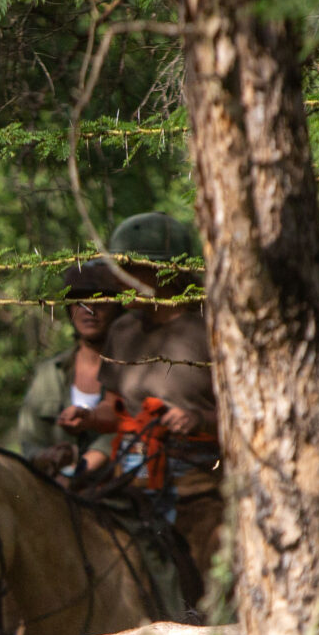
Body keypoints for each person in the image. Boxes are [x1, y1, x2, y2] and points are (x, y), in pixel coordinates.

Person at [81, 213, 222, 579]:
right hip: (129, 487)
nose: (115, 280)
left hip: (199, 489)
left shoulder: (213, 332)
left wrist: (198, 420)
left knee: (218, 575)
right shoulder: (123, 331)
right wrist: (88, 418)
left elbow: (253, 419)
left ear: (166, 273)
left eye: (128, 269)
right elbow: (114, 410)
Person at [10, 260, 122, 477]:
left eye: (101, 301)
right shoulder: (49, 374)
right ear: (69, 309)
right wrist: (47, 457)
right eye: (79, 302)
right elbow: (30, 441)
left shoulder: (133, 370)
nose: (90, 310)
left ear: (118, 308)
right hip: (57, 497)